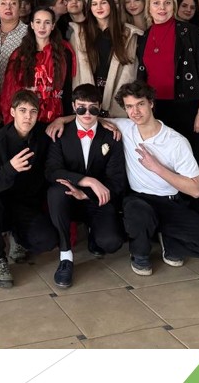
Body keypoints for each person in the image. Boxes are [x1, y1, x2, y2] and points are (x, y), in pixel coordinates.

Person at [114, 81, 199, 275]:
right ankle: (140, 253)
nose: (135, 112)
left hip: (170, 202)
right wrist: (63, 120)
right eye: (129, 106)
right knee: (137, 212)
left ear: (151, 103)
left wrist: (157, 167)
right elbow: (89, 119)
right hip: (138, 200)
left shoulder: (175, 142)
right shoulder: (124, 127)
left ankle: (171, 240)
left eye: (140, 104)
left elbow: (196, 190)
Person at [44, 84, 126, 288]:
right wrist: (87, 180)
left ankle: (93, 233)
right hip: (68, 198)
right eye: (81, 108)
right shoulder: (60, 132)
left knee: (111, 243)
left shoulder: (112, 135)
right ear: (73, 107)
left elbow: (116, 181)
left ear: (100, 107)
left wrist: (87, 193)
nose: (87, 113)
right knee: (55, 192)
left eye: (93, 108)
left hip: (96, 200)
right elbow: (52, 171)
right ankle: (65, 256)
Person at [0, 91, 58, 288]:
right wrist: (10, 168)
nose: (28, 116)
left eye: (33, 111)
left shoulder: (42, 134)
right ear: (12, 112)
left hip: (25, 205)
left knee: (48, 240)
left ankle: (18, 238)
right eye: (22, 110)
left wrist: (64, 119)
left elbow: (80, 120)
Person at [136, 0, 199, 173]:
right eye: (156, 3)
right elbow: (142, 75)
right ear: (149, 8)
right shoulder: (145, 36)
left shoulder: (190, 32)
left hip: (188, 107)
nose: (162, 7)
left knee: (191, 163)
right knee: (163, 163)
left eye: (167, 3)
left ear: (173, 7)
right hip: (155, 109)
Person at [69, 0, 141, 118]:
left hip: (116, 96)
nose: (99, 7)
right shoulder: (79, 33)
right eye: (94, 4)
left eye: (103, 2)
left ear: (111, 5)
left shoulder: (128, 33)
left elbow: (130, 72)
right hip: (87, 96)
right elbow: (76, 72)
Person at [1, 7, 74, 126]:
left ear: (53, 26)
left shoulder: (64, 53)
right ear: (32, 25)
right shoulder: (19, 54)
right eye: (38, 22)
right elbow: (10, 89)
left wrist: (65, 119)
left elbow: (68, 88)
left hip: (56, 118)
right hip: (26, 117)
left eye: (47, 22)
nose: (42, 27)